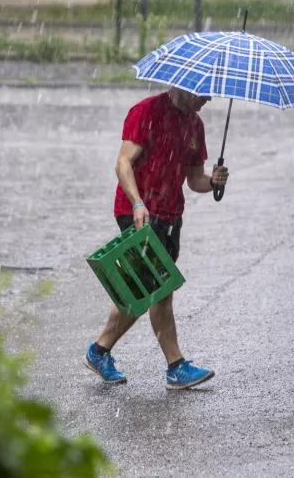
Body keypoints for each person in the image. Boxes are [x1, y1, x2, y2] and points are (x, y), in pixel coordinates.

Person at [84, 87, 229, 390]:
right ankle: (175, 365)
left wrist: (212, 182)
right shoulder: (146, 112)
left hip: (171, 216)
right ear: (185, 86)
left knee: (142, 288)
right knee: (158, 288)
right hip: (139, 212)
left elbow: (194, 180)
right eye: (203, 93)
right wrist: (138, 202)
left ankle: (99, 351)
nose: (209, 100)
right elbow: (123, 163)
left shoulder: (194, 125)